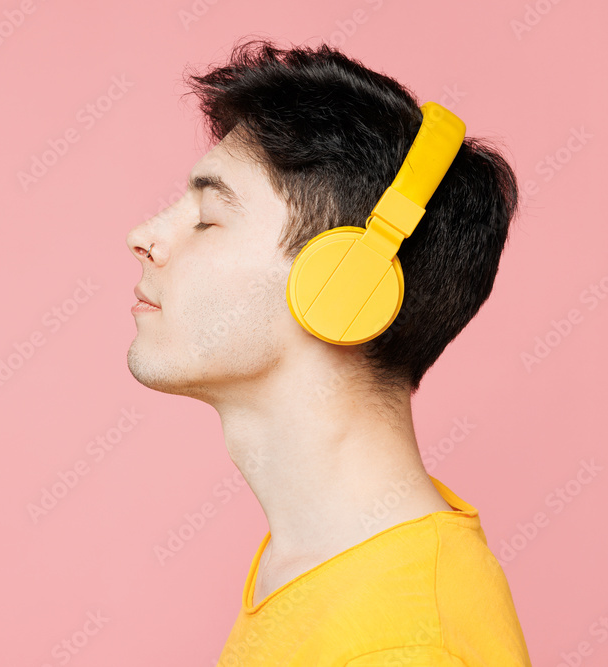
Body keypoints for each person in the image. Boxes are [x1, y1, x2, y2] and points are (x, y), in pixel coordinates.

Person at [125, 39, 532, 666]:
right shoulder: (319, 563)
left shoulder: (404, 643)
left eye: (207, 217)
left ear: (341, 287)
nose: (144, 237)